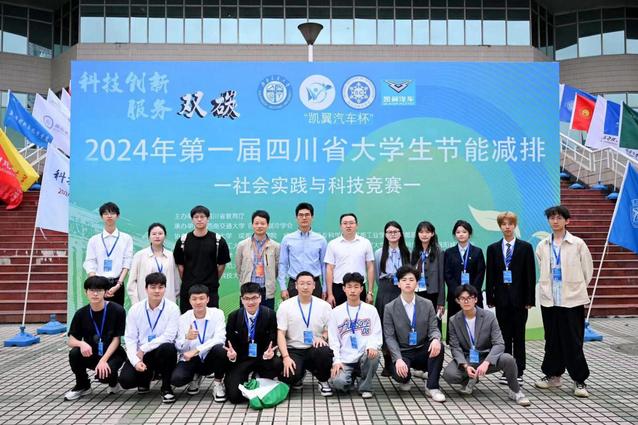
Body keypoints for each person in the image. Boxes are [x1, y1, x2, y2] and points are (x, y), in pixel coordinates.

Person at [534, 205, 593, 398]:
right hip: (550, 300)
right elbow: (542, 267)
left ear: (567, 221)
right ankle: (553, 375)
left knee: (573, 341)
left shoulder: (577, 244)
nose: (555, 221)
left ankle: (579, 380)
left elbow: (587, 271)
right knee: (552, 340)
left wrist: (576, 288)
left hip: (572, 300)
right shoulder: (543, 245)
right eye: (552, 218)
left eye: (559, 218)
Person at [443, 285, 531, 406]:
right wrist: (465, 366)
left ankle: (515, 391)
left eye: (469, 298)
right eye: (462, 298)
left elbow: (499, 343)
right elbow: (455, 347)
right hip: (469, 358)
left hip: (487, 356)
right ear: (457, 301)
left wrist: (487, 362)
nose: (466, 301)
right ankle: (470, 379)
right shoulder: (454, 320)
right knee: (449, 374)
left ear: (476, 299)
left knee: (508, 359)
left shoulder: (489, 316)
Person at [485, 212, 536, 384]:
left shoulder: (525, 247)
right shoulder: (492, 248)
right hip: (501, 300)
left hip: (520, 301)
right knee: (504, 337)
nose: (507, 227)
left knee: (519, 337)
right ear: (500, 226)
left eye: (510, 224)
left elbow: (530, 275)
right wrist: (490, 297)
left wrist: (530, 299)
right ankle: (506, 370)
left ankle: (519, 371)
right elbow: (490, 275)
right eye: (504, 224)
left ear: (515, 225)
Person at [383, 265, 446, 403]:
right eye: (404, 280)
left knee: (439, 346)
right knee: (401, 377)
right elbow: (389, 337)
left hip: (422, 349)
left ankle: (432, 387)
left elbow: (434, 328)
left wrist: (436, 339)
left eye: (411, 280)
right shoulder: (390, 308)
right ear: (398, 283)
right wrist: (398, 359)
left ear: (417, 283)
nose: (408, 283)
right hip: (403, 351)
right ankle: (405, 377)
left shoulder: (427, 304)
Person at [119, 272, 180, 404]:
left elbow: (169, 337)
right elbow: (130, 339)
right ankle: (146, 378)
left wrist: (144, 348)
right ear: (146, 288)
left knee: (168, 348)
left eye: (160, 287)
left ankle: (166, 388)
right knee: (126, 381)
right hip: (141, 355)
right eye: (153, 287)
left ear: (165, 288)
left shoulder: (173, 308)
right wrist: (136, 361)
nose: (157, 291)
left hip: (160, 352)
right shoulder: (135, 309)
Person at [64, 276, 127, 401]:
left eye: (99, 290)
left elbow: (116, 339)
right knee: (74, 353)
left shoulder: (117, 310)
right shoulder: (81, 314)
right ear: (86, 292)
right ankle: (83, 385)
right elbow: (71, 340)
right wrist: (81, 344)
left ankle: (113, 382)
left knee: (104, 377)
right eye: (91, 290)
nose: (95, 294)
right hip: (92, 353)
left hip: (113, 354)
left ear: (106, 292)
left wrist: (103, 360)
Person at [224, 282, 282, 404]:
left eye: (254, 298)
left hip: (263, 357)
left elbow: (273, 339)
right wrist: (232, 356)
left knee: (277, 363)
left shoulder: (270, 314)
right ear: (242, 299)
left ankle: (259, 375)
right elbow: (229, 341)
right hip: (242, 359)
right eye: (246, 298)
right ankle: (247, 378)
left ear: (260, 298)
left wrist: (270, 353)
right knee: (234, 397)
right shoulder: (234, 316)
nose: (250, 302)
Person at [278, 271, 334, 396]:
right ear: (296, 286)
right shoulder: (285, 306)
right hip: (294, 349)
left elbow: (329, 329)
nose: (305, 287)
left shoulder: (324, 306)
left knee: (324, 352)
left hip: (314, 347)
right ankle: (299, 375)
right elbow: (280, 333)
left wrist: (323, 337)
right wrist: (285, 357)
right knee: (288, 376)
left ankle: (323, 380)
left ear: (314, 286)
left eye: (309, 283)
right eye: (301, 283)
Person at [328, 272, 382, 399]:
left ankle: (365, 387)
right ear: (344, 288)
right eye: (349, 287)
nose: (352, 290)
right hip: (345, 359)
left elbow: (376, 333)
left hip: (364, 356)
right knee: (338, 383)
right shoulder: (336, 312)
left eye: (356, 287)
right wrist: (337, 361)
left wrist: (372, 346)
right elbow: (333, 340)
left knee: (374, 356)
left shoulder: (371, 310)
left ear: (362, 289)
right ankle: (350, 378)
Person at [171, 284, 227, 402]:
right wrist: (187, 338)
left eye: (202, 298)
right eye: (194, 299)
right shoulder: (183, 318)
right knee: (177, 379)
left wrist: (197, 349)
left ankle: (218, 383)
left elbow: (220, 338)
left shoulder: (217, 314)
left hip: (209, 357)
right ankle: (195, 376)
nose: (198, 302)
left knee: (221, 349)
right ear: (189, 301)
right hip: (191, 359)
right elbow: (179, 347)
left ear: (208, 299)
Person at [173, 205, 231, 313]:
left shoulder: (218, 241)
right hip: (188, 290)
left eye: (202, 217)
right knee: (187, 320)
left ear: (208, 218)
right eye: (196, 217)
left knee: (212, 319)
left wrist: (213, 279)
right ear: (192, 219)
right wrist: (188, 280)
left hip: (210, 290)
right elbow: (180, 266)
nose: (199, 219)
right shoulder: (182, 241)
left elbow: (222, 264)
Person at [373, 221, 410, 376]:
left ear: (400, 234)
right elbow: (377, 275)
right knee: (385, 325)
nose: (392, 234)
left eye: (395, 231)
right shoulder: (379, 253)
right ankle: (388, 363)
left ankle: (400, 360)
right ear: (385, 234)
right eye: (389, 232)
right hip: (385, 290)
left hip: (401, 291)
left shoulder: (407, 252)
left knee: (400, 325)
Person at [83, 201, 133, 306]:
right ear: (101, 217)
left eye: (112, 213)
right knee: (98, 312)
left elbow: (127, 262)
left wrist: (118, 284)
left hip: (117, 284)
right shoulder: (94, 240)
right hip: (98, 284)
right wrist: (96, 284)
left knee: (117, 313)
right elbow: (90, 262)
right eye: (105, 213)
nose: (109, 216)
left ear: (118, 216)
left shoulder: (126, 238)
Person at [444, 220, 485, 344]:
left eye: (464, 232)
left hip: (473, 296)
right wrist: (458, 293)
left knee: (475, 329)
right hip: (455, 297)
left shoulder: (477, 252)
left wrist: (471, 293)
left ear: (469, 234)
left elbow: (480, 273)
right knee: (455, 330)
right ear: (454, 234)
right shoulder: (449, 253)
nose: (461, 234)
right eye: (458, 232)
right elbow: (447, 274)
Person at [278, 202, 327, 300]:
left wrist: (325, 288)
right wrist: (283, 287)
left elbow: (324, 266)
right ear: (296, 217)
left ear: (312, 217)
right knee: (293, 310)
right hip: (294, 284)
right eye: (301, 215)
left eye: (307, 215)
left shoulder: (321, 240)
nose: (304, 218)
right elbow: (283, 264)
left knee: (315, 310)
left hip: (314, 284)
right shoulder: (287, 239)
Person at [325, 213, 375, 307]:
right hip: (339, 288)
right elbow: (329, 269)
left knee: (360, 314)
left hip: (359, 287)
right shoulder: (333, 244)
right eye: (345, 223)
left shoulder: (365, 243)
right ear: (340, 226)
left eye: (351, 223)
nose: (348, 226)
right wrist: (330, 294)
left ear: (357, 225)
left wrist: (370, 292)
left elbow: (370, 267)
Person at [236, 210, 280, 310]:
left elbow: (276, 269)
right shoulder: (242, 245)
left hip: (266, 290)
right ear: (252, 225)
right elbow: (239, 268)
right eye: (256, 223)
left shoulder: (275, 246)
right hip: (247, 290)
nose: (259, 226)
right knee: (246, 317)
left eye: (263, 223)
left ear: (268, 225)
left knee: (267, 317)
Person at [128, 222, 180, 305]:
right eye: (154, 234)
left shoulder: (171, 256)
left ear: (165, 236)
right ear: (149, 237)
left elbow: (176, 280)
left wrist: (174, 298)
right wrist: (136, 303)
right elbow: (132, 281)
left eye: (160, 233)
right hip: (144, 301)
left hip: (167, 301)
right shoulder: (140, 255)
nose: (157, 236)